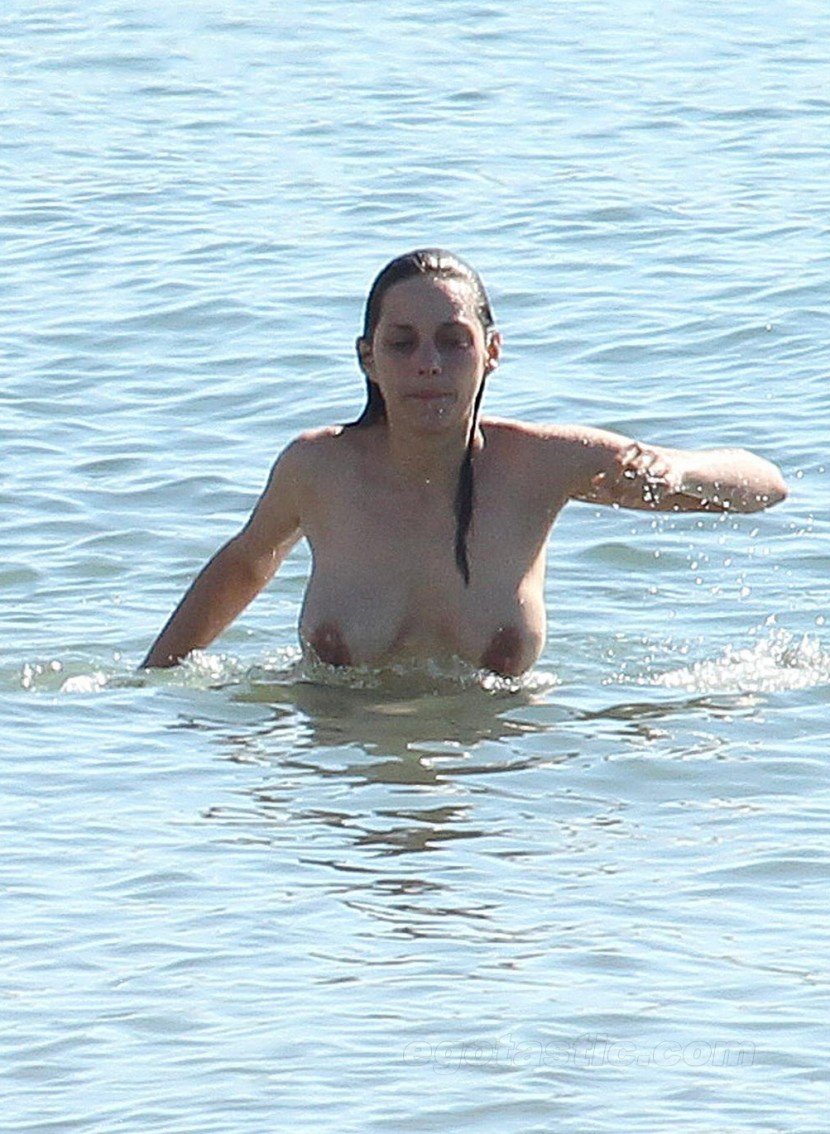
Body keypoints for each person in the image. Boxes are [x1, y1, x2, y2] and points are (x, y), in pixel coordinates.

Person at [142, 249, 787, 677]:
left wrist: (677, 472)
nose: (428, 365)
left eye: (453, 342)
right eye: (403, 343)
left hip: (497, 786)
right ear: (368, 358)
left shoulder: (539, 465)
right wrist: (151, 685)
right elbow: (247, 561)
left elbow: (767, 488)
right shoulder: (319, 470)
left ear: (492, 352)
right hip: (341, 780)